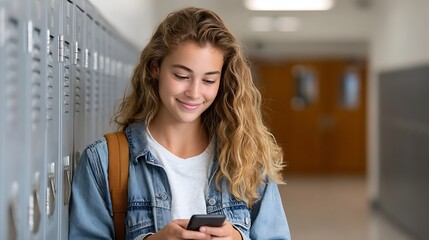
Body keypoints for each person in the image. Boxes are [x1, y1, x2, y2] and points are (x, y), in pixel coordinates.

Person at [69, 7, 291, 240]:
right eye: (182, 76)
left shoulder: (246, 159)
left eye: (208, 80)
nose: (194, 93)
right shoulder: (103, 162)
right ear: (156, 68)